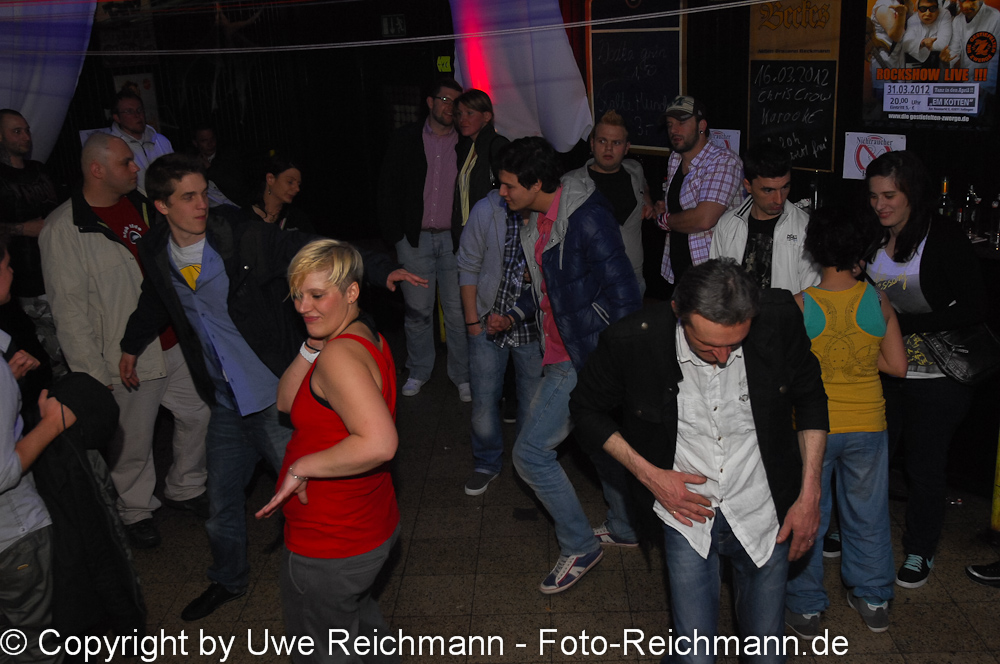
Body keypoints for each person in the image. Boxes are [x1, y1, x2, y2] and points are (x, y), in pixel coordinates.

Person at [119, 153, 422, 621]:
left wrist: (379, 269)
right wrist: (130, 344)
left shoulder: (239, 233)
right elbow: (156, 298)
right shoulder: (156, 248)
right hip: (225, 399)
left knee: (314, 486)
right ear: (161, 206)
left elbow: (310, 249)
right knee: (221, 503)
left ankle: (347, 581)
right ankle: (229, 579)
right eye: (188, 197)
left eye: (203, 193)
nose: (202, 204)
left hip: (271, 391)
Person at [570, 259, 828, 663]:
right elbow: (585, 410)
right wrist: (650, 476)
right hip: (685, 514)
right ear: (679, 312)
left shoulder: (779, 320)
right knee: (695, 656)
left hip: (763, 509)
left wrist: (810, 495)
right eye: (708, 345)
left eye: (734, 343)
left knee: (768, 655)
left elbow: (811, 400)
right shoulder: (633, 339)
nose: (723, 357)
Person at [39, 134, 211, 549]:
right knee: (132, 441)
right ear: (97, 170)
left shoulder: (142, 205)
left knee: (201, 412)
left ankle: (185, 485)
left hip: (171, 340)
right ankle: (135, 510)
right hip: (122, 357)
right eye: (126, 162)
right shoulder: (64, 228)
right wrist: (92, 376)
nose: (136, 168)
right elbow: (69, 311)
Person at [495, 137, 642, 594]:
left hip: (582, 357)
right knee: (596, 442)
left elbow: (625, 295)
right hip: (563, 349)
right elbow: (550, 285)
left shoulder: (587, 217)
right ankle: (625, 525)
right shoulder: (536, 218)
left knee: (530, 454)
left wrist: (616, 366)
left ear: (537, 184)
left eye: (508, 186)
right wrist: (515, 313)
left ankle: (580, 545)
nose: (502, 193)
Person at [256, 239, 400, 664]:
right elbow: (286, 401)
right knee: (362, 628)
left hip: (331, 542)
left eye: (317, 295)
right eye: (298, 295)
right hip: (367, 524)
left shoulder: (339, 356)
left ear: (352, 291)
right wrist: (310, 345)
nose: (303, 307)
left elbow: (380, 443)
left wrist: (302, 466)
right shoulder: (360, 335)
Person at [784, 206, 908, 638]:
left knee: (809, 514)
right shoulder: (878, 300)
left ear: (813, 249)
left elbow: (787, 375)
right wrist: (861, 358)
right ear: (861, 251)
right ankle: (873, 598)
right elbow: (898, 366)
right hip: (868, 423)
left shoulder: (800, 305)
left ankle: (805, 607)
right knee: (868, 515)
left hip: (812, 430)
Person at [865, 150, 987, 589]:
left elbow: (975, 307)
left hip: (937, 374)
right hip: (884, 368)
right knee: (870, 459)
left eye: (889, 196)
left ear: (912, 194)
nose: (880, 205)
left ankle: (920, 548)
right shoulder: (871, 235)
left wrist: (904, 323)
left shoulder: (945, 237)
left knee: (924, 467)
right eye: (874, 196)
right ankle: (857, 533)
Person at [1, 230, 78, 664]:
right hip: (10, 535)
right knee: (32, 647)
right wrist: (52, 424)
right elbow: (2, 472)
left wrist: (9, 381)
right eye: (6, 264)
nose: (13, 271)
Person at [377, 77, 470, 401]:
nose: (450, 107)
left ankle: (462, 375)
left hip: (454, 241)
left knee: (458, 312)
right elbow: (387, 187)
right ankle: (418, 370)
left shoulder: (465, 142)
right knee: (418, 311)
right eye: (445, 100)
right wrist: (396, 236)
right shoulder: (406, 138)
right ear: (430, 102)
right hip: (415, 240)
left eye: (456, 102)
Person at [457, 191, 542, 496]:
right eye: (501, 182)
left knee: (532, 404)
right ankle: (486, 463)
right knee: (483, 401)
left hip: (532, 326)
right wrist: (472, 323)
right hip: (487, 321)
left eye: (510, 183)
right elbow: (467, 264)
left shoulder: (547, 211)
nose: (503, 190)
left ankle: (527, 465)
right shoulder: (487, 209)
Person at [0, 109, 65, 378]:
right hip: (26, 279)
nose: (25, 136)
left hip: (59, 268)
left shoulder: (39, 169)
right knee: (54, 347)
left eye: (27, 130)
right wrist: (24, 228)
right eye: (17, 131)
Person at [656, 96, 743, 287]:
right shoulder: (675, 159)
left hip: (714, 277)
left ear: (701, 125)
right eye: (670, 124)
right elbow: (678, 203)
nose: (674, 130)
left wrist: (664, 220)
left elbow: (704, 219)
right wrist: (662, 206)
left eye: (681, 123)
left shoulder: (723, 161)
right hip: (679, 271)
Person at [709, 142, 820, 292]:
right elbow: (716, 285)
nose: (779, 199)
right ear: (748, 186)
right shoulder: (727, 224)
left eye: (785, 187)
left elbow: (813, 293)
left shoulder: (806, 228)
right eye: (768, 190)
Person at [564, 110, 654, 295]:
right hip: (590, 285)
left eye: (616, 142)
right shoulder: (570, 184)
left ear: (627, 147)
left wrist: (647, 200)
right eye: (602, 141)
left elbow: (644, 185)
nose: (608, 148)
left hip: (632, 281)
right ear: (592, 144)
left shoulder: (635, 170)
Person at [451, 89, 510, 241]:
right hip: (468, 232)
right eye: (459, 114)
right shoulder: (466, 148)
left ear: (486, 116)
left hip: (491, 232)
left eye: (469, 113)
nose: (462, 119)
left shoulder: (497, 145)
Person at [106, 90, 174, 197]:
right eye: (129, 111)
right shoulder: (112, 148)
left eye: (139, 110)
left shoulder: (162, 141)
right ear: (117, 117)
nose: (137, 115)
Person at [948, 0, 1000, 106]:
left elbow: (996, 59)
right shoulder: (958, 20)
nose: (966, 5)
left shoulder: (995, 17)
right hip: (963, 84)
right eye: (962, 1)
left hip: (986, 89)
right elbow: (954, 53)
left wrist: (979, 89)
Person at [249, 154, 313, 233]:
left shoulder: (297, 218)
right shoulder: (244, 217)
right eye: (290, 182)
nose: (297, 189)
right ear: (270, 179)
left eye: (298, 184)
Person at [902, 0, 954, 68]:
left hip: (939, 62)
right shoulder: (912, 19)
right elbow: (905, 45)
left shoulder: (944, 14)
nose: (927, 13)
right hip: (914, 64)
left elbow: (943, 44)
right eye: (923, 9)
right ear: (918, 10)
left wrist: (918, 44)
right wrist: (922, 43)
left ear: (938, 9)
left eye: (932, 9)